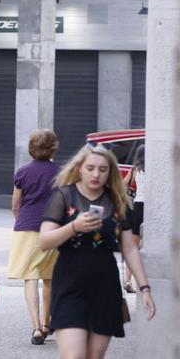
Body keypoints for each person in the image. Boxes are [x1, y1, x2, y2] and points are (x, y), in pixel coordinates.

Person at [39, 144, 156, 359]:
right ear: (80, 168)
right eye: (91, 168)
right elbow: (44, 241)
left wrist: (145, 288)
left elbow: (129, 248)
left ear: (110, 172)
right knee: (73, 355)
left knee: (95, 356)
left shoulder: (118, 202)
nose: (96, 174)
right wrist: (74, 226)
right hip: (69, 282)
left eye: (103, 169)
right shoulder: (64, 196)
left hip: (105, 284)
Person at [8, 129, 60, 345]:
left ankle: (36, 327)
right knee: (50, 277)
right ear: (53, 148)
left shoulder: (22, 172)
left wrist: (22, 218)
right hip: (53, 228)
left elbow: (15, 204)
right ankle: (48, 324)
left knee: (31, 277)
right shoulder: (61, 172)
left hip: (27, 227)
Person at [122, 145, 146, 293]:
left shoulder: (135, 170)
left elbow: (122, 185)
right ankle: (144, 281)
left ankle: (128, 280)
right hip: (152, 208)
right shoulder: (157, 169)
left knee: (133, 247)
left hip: (138, 207)